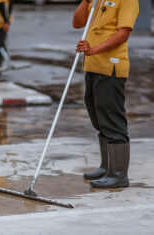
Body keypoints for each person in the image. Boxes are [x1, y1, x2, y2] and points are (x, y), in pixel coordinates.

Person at [73, 0, 139, 188]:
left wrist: (93, 50)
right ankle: (106, 167)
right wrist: (85, 1)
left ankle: (118, 175)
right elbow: (77, 23)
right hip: (93, 67)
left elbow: (123, 34)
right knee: (98, 118)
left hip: (111, 67)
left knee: (111, 118)